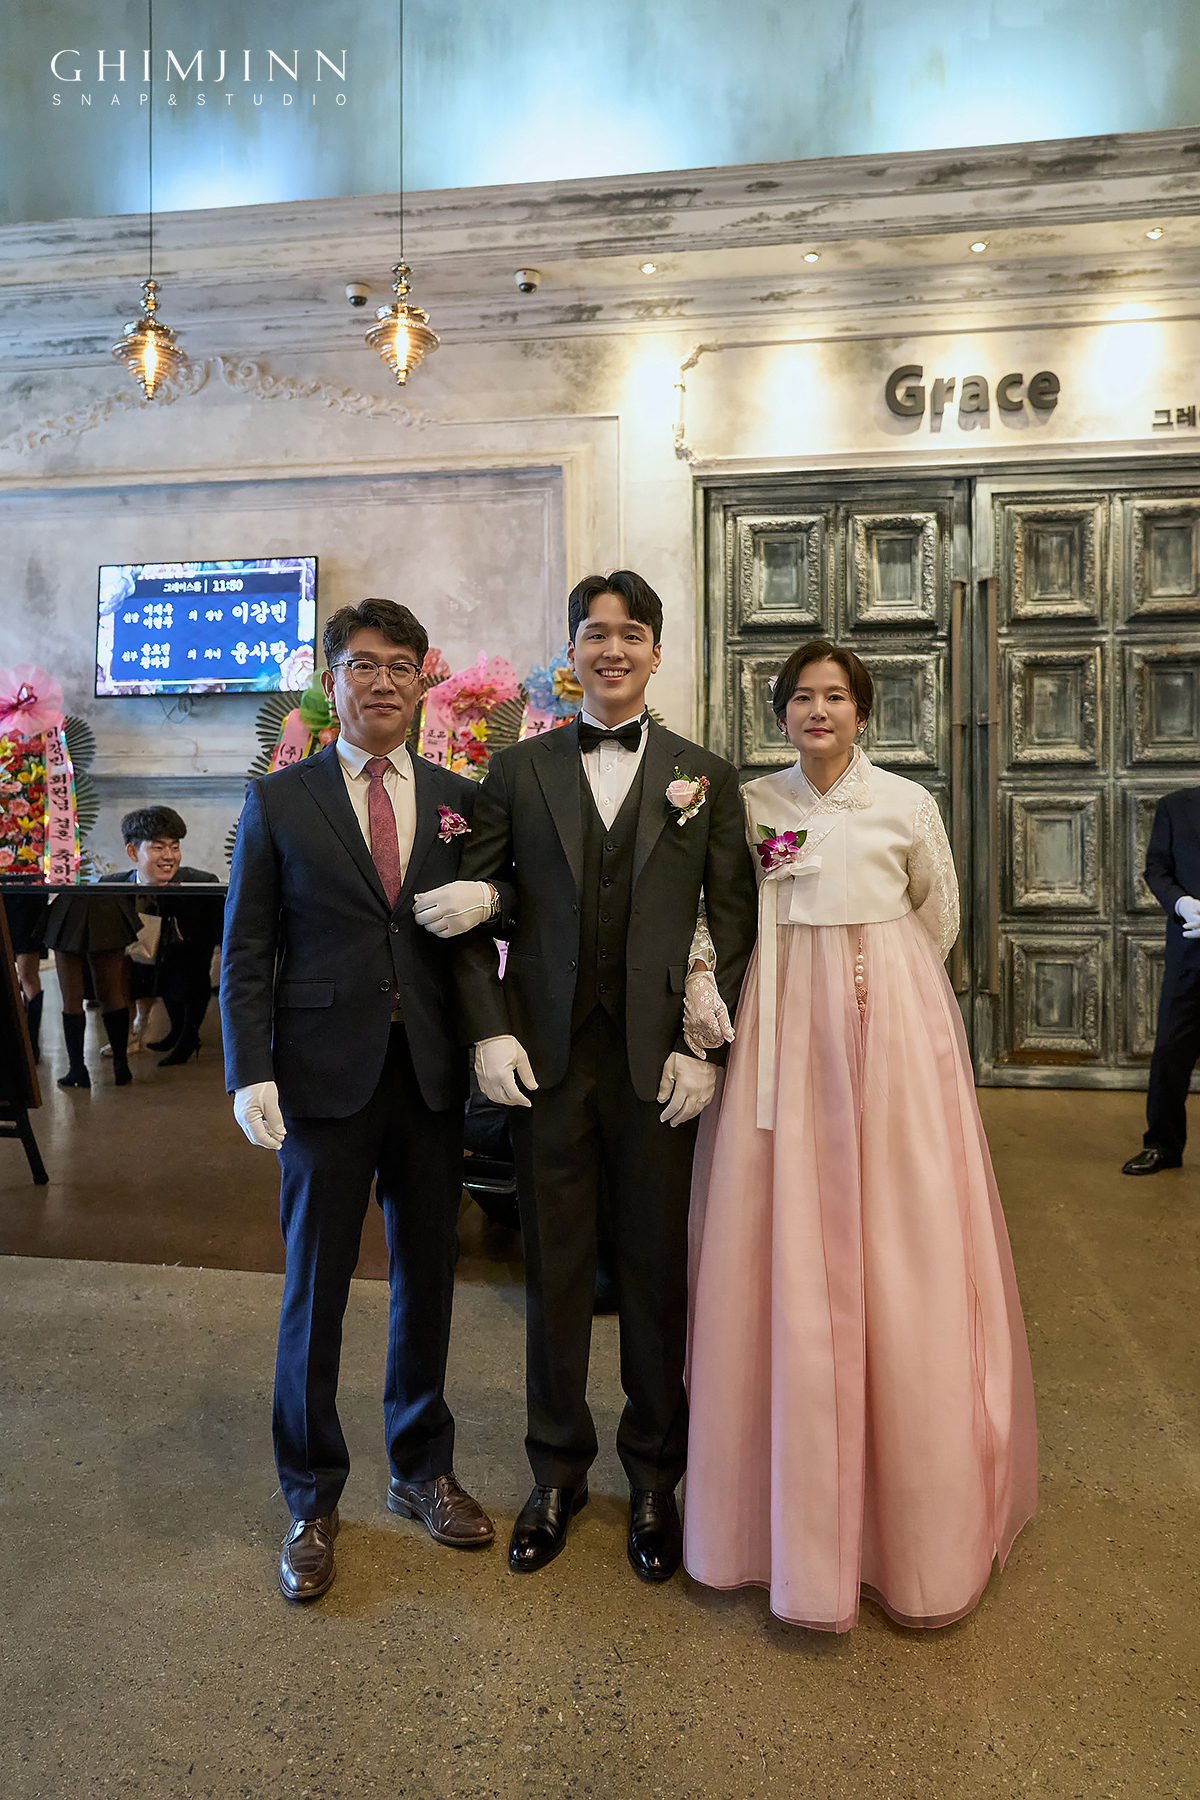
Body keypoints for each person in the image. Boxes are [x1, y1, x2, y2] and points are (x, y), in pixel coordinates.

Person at [683, 640, 1038, 1632]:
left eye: (835, 696)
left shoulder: (905, 803)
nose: (818, 710)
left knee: (900, 1229)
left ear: (863, 711)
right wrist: (706, 979)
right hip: (781, 1027)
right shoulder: (752, 802)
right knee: (778, 1232)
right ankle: (767, 1517)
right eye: (801, 696)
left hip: (889, 1034)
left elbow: (939, 916)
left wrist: (878, 995)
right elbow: (719, 909)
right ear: (779, 713)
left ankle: (914, 1517)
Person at [428, 571, 758, 1582]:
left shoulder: (706, 776)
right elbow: (474, 902)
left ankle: (655, 1476)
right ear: (571, 653)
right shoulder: (515, 770)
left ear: (657, 651)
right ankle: (556, 1472)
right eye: (594, 634)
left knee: (657, 1274)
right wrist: (490, 1033)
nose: (613, 650)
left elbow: (733, 917)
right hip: (548, 1060)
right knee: (556, 1271)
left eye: (631, 634)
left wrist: (705, 1047)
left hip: (658, 1063)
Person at [220, 598, 499, 1603]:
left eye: (400, 666)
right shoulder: (280, 800)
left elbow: (488, 916)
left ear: (424, 680)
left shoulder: (461, 798)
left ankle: (421, 1468)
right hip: (319, 1078)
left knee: (429, 1275)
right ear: (331, 679)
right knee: (316, 1286)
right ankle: (310, 1496)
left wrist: (495, 901)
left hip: (427, 1074)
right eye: (363, 664)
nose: (382, 682)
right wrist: (248, 1068)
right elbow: (247, 949)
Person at [1122, 785, 1200, 1174]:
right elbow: (1156, 869)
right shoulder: (1175, 805)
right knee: (1170, 1053)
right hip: (1189, 954)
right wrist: (1182, 904)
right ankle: (1163, 1146)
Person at [117, 806, 224, 1066]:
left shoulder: (200, 885)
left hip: (190, 954)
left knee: (191, 975)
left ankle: (188, 1038)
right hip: (147, 958)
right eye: (158, 847)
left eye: (174, 847)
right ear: (133, 852)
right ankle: (176, 1032)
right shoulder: (117, 884)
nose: (169, 856)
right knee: (161, 976)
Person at [43, 879, 139, 1089]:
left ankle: (77, 1069)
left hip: (70, 905)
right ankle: (121, 1065)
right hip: (108, 903)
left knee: (72, 996)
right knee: (111, 993)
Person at [3, 892, 49, 1061]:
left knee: (28, 975)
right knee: (28, 975)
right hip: (26, 899)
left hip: (25, 902)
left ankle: (29, 1045)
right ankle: (29, 1046)